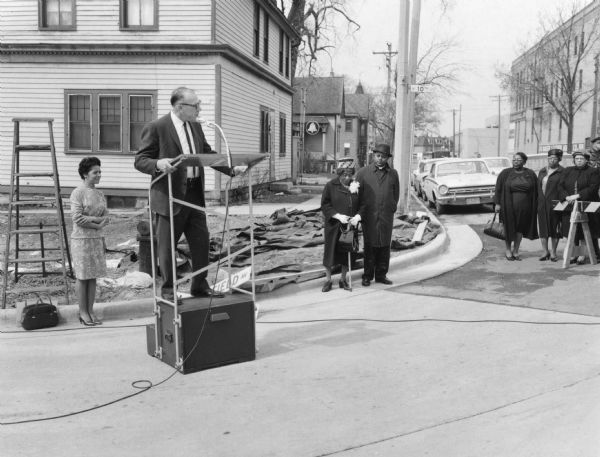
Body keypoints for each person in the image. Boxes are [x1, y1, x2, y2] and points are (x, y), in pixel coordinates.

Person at [134, 86, 224, 301]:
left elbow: (207, 154)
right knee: (167, 248)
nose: (199, 109)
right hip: (169, 195)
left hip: (194, 194)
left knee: (201, 242)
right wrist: (158, 163)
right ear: (179, 107)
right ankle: (168, 292)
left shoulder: (195, 127)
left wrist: (232, 168)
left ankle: (200, 286)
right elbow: (140, 160)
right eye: (196, 105)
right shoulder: (157, 127)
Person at [70, 157, 109, 326]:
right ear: (85, 174)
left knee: (92, 277)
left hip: (95, 240)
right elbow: (77, 218)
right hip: (81, 240)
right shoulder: (78, 192)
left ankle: (91, 310)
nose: (99, 175)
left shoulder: (100, 193)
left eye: (100, 172)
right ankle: (83, 312)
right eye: (95, 172)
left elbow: (105, 216)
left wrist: (101, 222)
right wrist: (97, 222)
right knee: (82, 276)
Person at [354, 143, 399, 286]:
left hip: (386, 215)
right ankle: (367, 275)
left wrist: (390, 207)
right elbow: (357, 196)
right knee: (370, 245)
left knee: (385, 245)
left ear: (387, 158)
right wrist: (359, 214)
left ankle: (381, 275)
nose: (380, 159)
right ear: (374, 156)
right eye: (378, 156)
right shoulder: (363, 173)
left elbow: (395, 194)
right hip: (369, 216)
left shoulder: (393, 174)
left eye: (383, 157)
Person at [320, 160, 361, 292]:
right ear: (339, 173)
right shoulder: (330, 186)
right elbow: (325, 205)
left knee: (346, 252)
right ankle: (328, 280)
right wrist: (337, 216)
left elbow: (363, 205)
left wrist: (358, 217)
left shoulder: (356, 187)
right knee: (330, 253)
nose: (347, 178)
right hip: (334, 226)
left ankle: (343, 279)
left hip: (349, 226)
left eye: (350, 175)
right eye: (344, 174)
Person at [557, 151, 600, 265]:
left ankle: (588, 254)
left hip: (587, 204)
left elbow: (593, 187)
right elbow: (560, 185)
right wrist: (565, 197)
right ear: (574, 160)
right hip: (570, 205)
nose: (579, 160)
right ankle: (574, 254)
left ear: (586, 160)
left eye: (582, 158)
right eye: (577, 158)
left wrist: (577, 195)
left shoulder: (593, 171)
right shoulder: (567, 171)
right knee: (572, 232)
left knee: (586, 231)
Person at [494, 152, 538, 261]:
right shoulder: (505, 173)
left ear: (524, 161)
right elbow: (498, 189)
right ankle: (508, 250)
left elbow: (536, 190)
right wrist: (497, 204)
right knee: (508, 228)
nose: (515, 161)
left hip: (525, 207)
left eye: (518, 160)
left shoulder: (530, 174)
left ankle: (516, 250)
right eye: (514, 159)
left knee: (520, 229)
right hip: (507, 205)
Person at [537, 149, 565, 262]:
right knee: (543, 228)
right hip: (542, 204)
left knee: (555, 228)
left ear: (559, 159)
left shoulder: (563, 172)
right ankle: (545, 251)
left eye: (554, 158)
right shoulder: (542, 171)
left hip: (555, 204)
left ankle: (553, 252)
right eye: (550, 158)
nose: (552, 160)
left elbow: (564, 188)